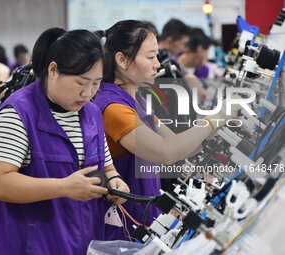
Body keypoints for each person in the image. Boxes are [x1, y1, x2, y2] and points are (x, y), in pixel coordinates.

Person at [0, 27, 129, 255]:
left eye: (96, 83)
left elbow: (106, 167)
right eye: (81, 83)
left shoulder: (91, 114)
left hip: (83, 243)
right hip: (31, 246)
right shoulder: (18, 114)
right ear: (53, 70)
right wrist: (63, 187)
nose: (88, 93)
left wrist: (114, 182)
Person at [94, 20, 237, 241]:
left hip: (148, 219)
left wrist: (221, 130)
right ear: (122, 60)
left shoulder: (137, 100)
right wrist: (214, 120)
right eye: (150, 57)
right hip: (125, 229)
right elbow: (165, 152)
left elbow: (178, 144)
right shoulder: (113, 108)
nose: (157, 64)